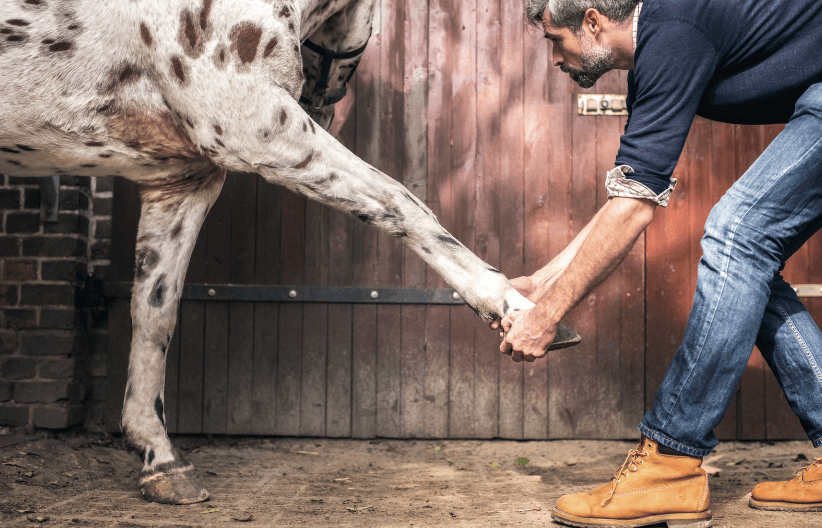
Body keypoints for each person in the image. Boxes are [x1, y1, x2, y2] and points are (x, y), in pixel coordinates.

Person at [492, 0, 822, 525]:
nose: (554, 58)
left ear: (594, 21)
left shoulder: (673, 35)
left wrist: (547, 317)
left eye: (556, 40)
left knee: (738, 237)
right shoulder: (660, 50)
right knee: (745, 256)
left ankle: (670, 461)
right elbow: (626, 197)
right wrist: (539, 282)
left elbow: (632, 211)